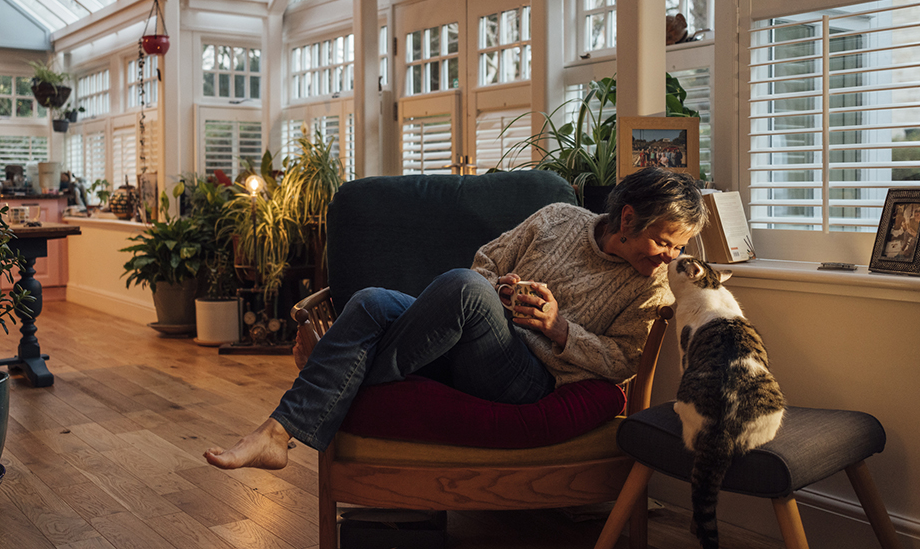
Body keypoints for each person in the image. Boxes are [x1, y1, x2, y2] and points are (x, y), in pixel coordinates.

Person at [203, 167, 707, 470]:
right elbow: (487, 260)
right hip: (478, 341)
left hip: (529, 378)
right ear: (627, 219)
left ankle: (332, 375)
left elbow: (623, 361)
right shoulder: (559, 218)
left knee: (463, 288)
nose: (671, 256)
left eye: (679, 247)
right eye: (664, 241)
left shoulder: (652, 287)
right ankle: (276, 434)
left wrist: (559, 328)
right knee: (372, 300)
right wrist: (500, 289)